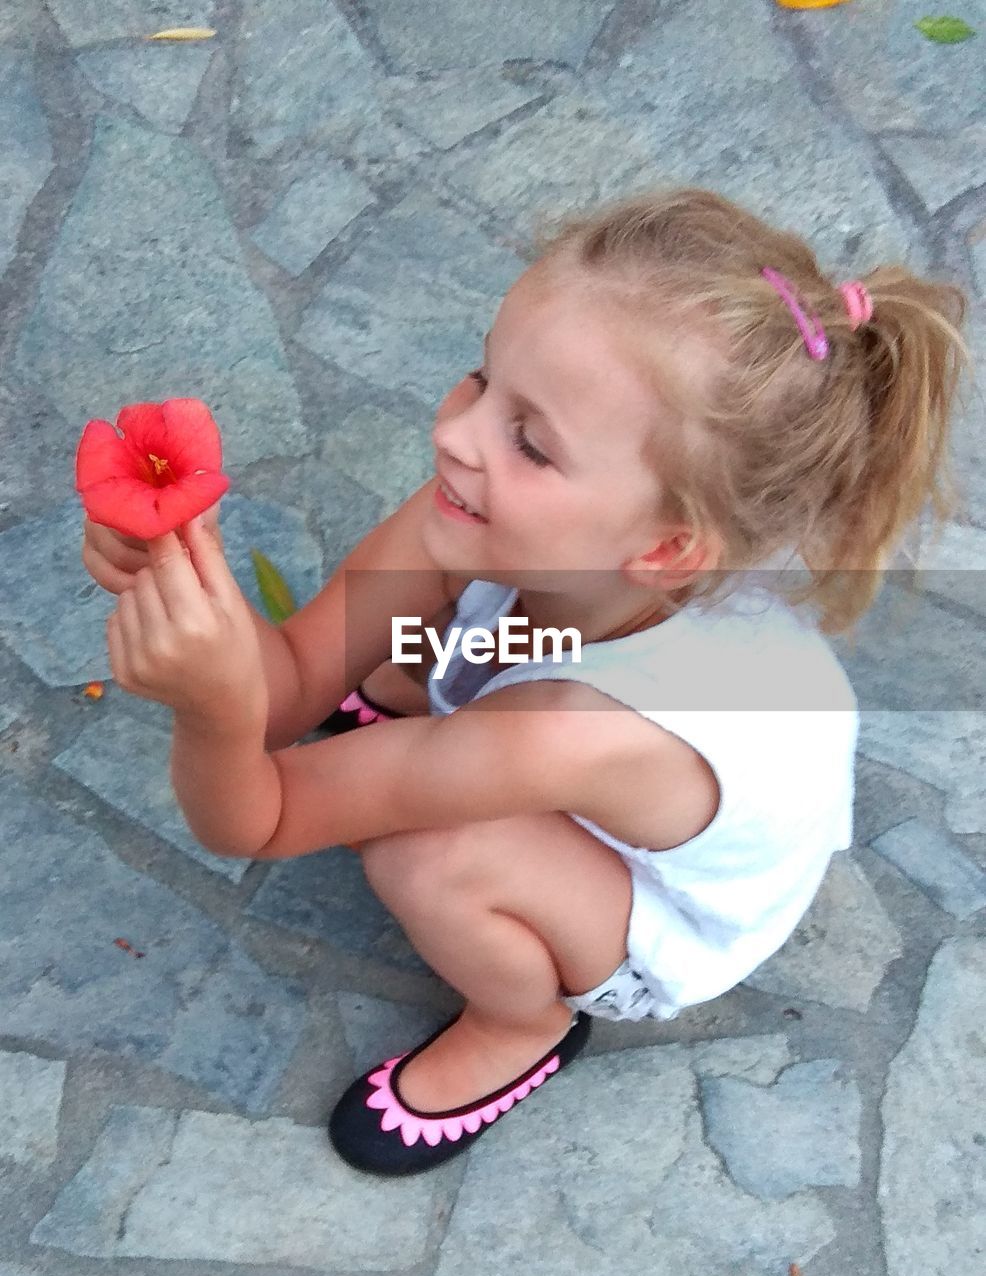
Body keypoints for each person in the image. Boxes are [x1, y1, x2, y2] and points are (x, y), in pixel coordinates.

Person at [82, 186, 971, 1177]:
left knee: (422, 856)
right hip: (587, 713)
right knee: (396, 652)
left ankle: (522, 1023)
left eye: (530, 440)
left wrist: (207, 706)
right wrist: (184, 573)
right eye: (479, 378)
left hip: (653, 903)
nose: (458, 434)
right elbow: (289, 678)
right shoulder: (494, 513)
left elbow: (259, 814)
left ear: (668, 545)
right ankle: (433, 703)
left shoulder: (565, 728)